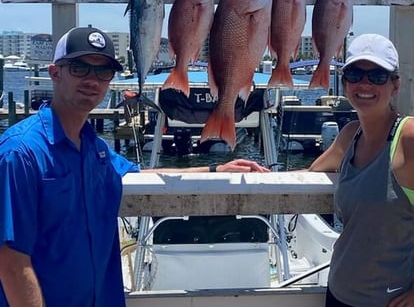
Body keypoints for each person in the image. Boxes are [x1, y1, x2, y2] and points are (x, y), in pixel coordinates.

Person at [0, 26, 269, 307]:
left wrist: (215, 170)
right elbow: (11, 258)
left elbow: (141, 175)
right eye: (80, 68)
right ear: (55, 72)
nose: (92, 79)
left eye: (103, 71)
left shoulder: (95, 150)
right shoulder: (20, 152)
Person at [308, 33, 414, 307]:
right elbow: (312, 172)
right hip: (339, 292)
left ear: (395, 85)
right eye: (355, 74)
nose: (365, 83)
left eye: (378, 76)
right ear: (345, 83)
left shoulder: (408, 137)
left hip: (388, 300)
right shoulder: (349, 135)